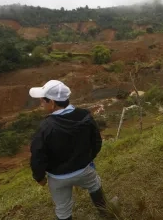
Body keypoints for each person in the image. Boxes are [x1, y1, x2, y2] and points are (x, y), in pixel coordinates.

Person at [29, 80, 114, 220]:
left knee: (63, 209)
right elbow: (97, 142)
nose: (41, 104)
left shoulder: (45, 127)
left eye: (43, 101)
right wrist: (88, 159)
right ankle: (106, 212)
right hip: (83, 169)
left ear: (52, 103)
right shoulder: (85, 115)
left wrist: (39, 177)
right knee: (94, 185)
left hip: (58, 177)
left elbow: (37, 156)